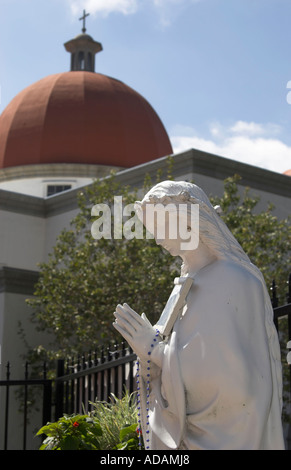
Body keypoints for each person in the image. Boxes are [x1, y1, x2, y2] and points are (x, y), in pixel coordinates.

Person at [113, 180, 285, 450]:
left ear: (187, 221)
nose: (157, 240)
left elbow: (234, 380)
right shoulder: (184, 284)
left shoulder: (233, 278)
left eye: (159, 228)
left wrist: (155, 352)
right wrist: (151, 352)